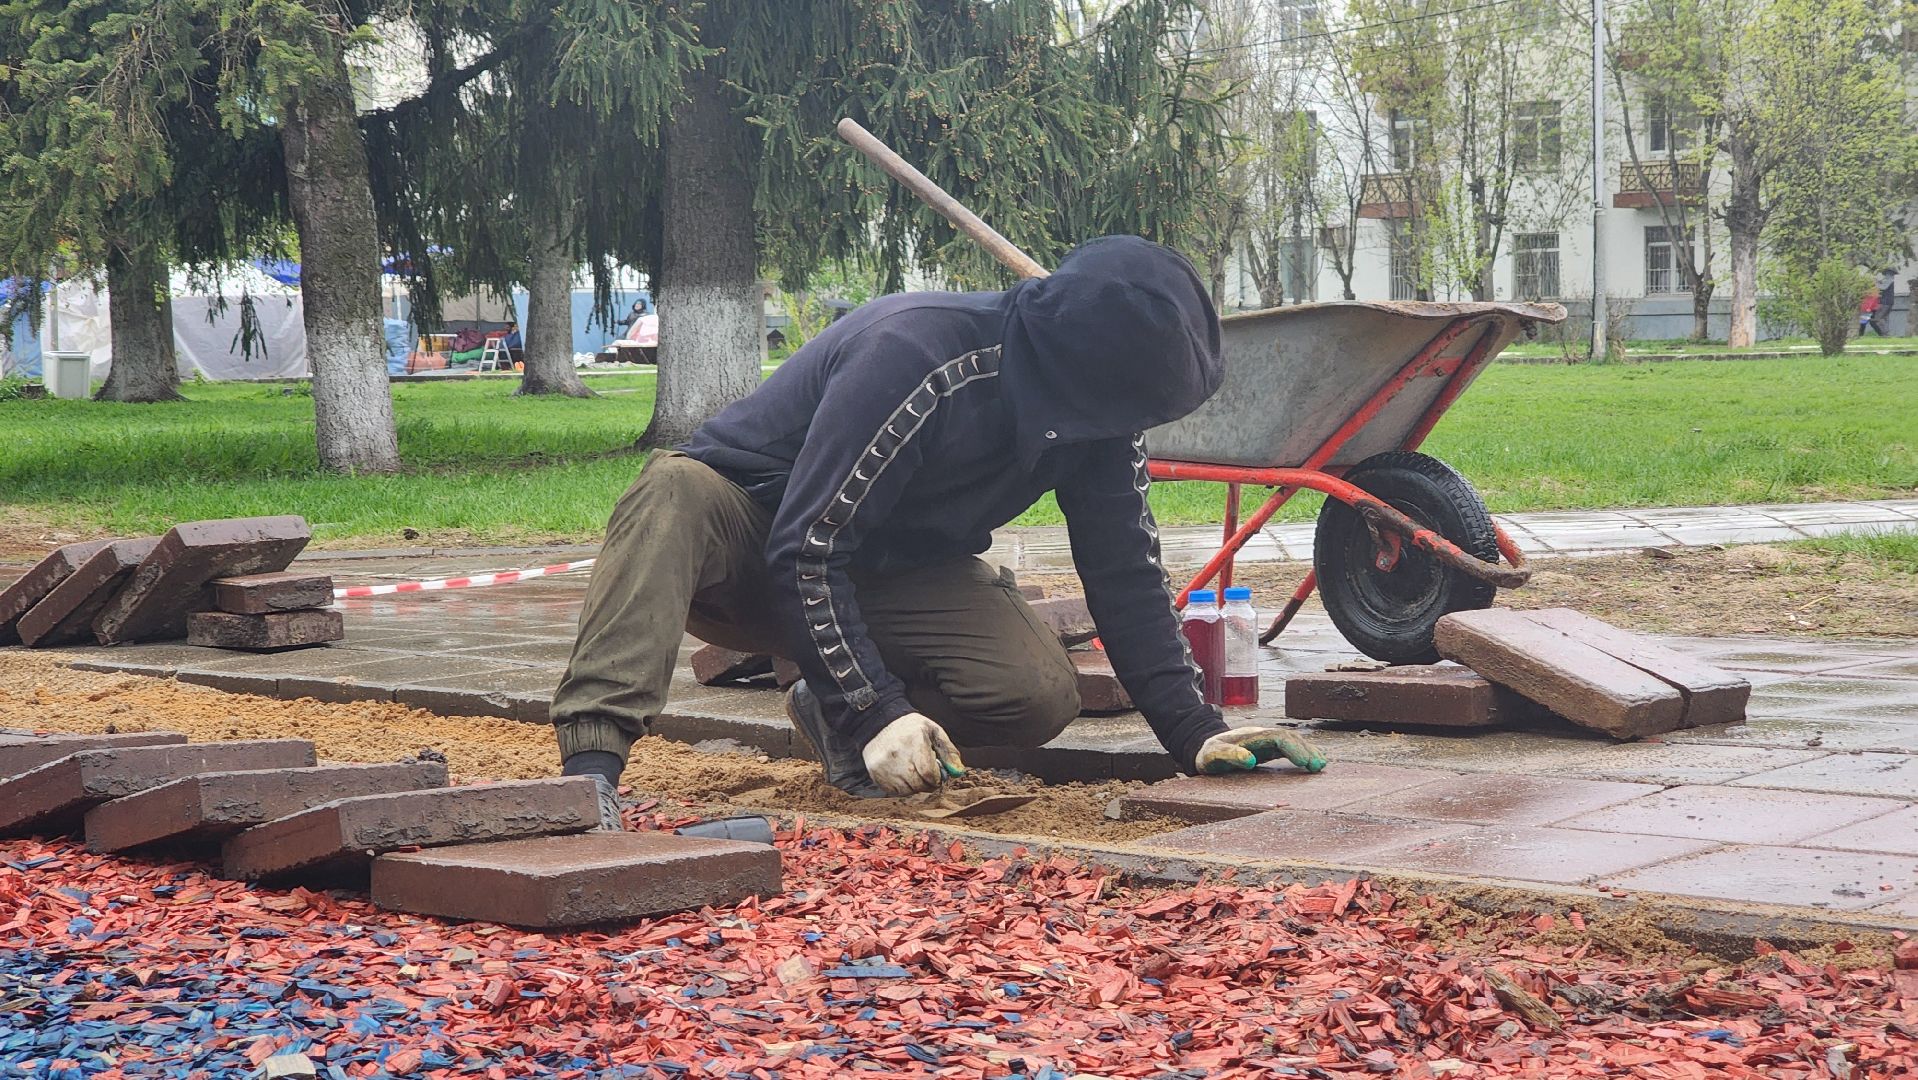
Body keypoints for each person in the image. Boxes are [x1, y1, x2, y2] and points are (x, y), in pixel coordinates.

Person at [549, 236, 1326, 829]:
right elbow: (806, 549)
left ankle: (829, 712)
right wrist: (876, 708)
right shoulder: (917, 355)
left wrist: (1193, 730)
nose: (1140, 426)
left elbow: (1125, 573)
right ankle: (590, 772)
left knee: (1036, 692)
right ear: (1084, 370)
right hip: (753, 548)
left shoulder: (1099, 414)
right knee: (671, 490)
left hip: (888, 568)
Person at [1873, 269, 1897, 337]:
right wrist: (1879, 282)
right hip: (1888, 302)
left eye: (1886, 273)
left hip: (1885, 302)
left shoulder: (1889, 280)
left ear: (1889, 273)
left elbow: (1883, 287)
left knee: (1878, 317)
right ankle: (1886, 334)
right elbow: (1883, 286)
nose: (1885, 275)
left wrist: (1876, 283)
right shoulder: (1889, 280)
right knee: (1885, 318)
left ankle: (1884, 333)